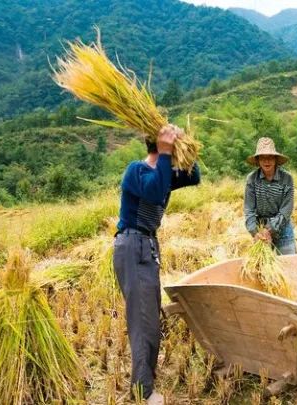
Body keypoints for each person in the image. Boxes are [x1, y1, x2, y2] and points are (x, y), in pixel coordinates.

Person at [113, 124, 200, 404]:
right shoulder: (136, 170)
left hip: (147, 246)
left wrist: (185, 148)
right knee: (142, 319)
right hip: (132, 245)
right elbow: (153, 191)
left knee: (150, 316)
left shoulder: (164, 173)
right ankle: (143, 391)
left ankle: (146, 379)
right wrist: (165, 153)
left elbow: (193, 176)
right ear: (158, 145)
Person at [244, 137, 296, 254]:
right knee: (263, 266)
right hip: (260, 231)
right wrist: (254, 232)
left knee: (289, 264)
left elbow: (286, 210)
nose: (267, 161)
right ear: (258, 160)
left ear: (276, 159)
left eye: (270, 157)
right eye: (263, 157)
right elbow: (249, 210)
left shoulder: (286, 178)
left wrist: (270, 230)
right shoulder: (252, 179)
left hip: (283, 228)